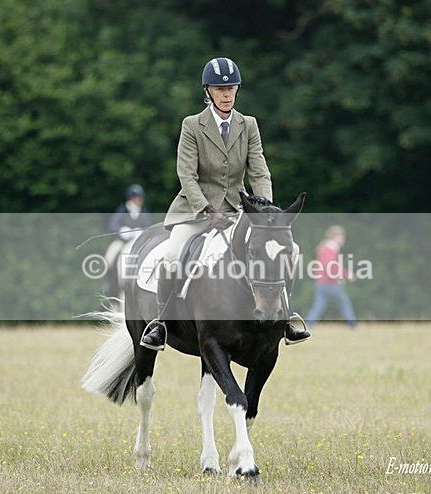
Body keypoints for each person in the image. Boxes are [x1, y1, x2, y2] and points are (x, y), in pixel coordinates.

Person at [140, 57, 311, 350]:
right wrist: (206, 208)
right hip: (195, 212)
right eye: (220, 89)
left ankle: (285, 318)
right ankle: (160, 324)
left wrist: (265, 213)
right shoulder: (192, 125)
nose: (227, 94)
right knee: (172, 256)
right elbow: (186, 174)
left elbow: (259, 170)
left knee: (290, 250)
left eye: (231, 88)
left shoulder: (249, 125)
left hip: (238, 210)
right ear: (208, 91)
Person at [102, 184, 152, 298]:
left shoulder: (143, 211)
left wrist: (142, 231)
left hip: (138, 242)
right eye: (138, 197)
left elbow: (148, 226)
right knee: (108, 259)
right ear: (132, 198)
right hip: (122, 241)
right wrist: (122, 230)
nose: (141, 200)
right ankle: (109, 286)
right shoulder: (123, 209)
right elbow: (113, 224)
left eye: (141, 197)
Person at [305, 225, 357, 328]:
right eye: (342, 237)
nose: (343, 240)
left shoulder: (324, 248)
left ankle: (308, 326)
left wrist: (344, 273)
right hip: (330, 283)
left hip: (320, 282)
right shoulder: (331, 249)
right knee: (345, 303)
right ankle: (353, 326)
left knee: (318, 306)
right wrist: (344, 276)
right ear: (335, 237)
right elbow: (331, 267)